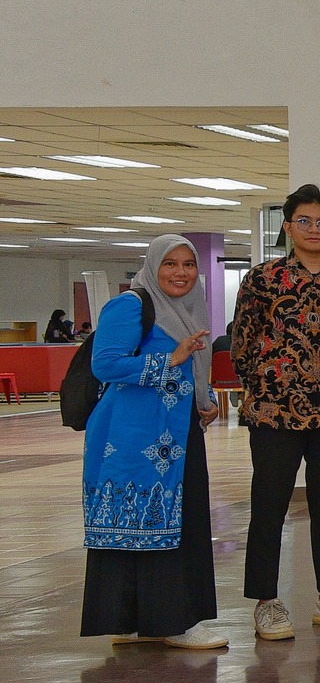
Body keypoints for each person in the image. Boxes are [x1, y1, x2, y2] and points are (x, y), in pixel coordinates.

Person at [230, 183, 320, 640]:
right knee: (269, 506)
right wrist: (262, 388)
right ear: (288, 225)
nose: (315, 229)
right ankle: (266, 602)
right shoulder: (263, 278)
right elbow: (242, 343)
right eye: (304, 221)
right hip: (275, 411)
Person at [80, 236, 225, 649]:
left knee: (176, 521)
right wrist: (169, 360)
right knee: (141, 523)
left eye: (188, 264)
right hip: (131, 437)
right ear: (152, 266)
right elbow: (105, 363)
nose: (180, 272)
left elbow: (194, 370)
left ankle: (143, 620)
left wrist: (205, 399)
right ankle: (172, 622)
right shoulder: (131, 305)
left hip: (177, 436)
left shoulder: (188, 307)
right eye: (169, 264)